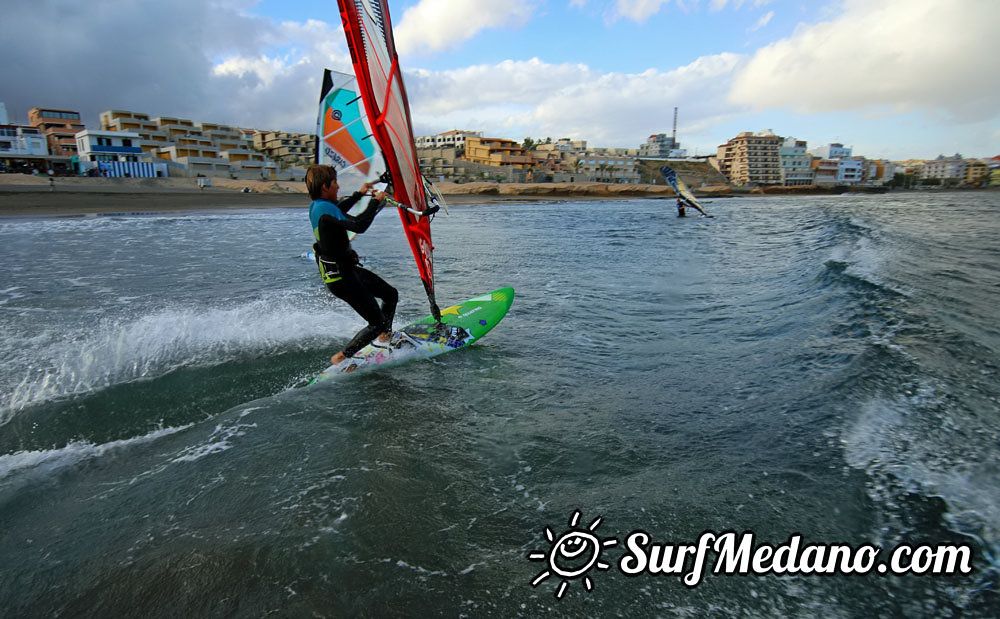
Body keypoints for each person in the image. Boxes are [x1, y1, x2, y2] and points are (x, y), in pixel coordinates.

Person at [307, 164, 398, 372]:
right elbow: (359, 225)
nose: (338, 187)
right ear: (324, 187)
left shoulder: (318, 205)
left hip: (346, 271)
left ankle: (385, 336)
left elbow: (339, 209)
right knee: (376, 322)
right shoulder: (324, 209)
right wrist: (376, 202)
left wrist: (360, 194)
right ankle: (342, 357)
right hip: (341, 278)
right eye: (335, 183)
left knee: (390, 294)